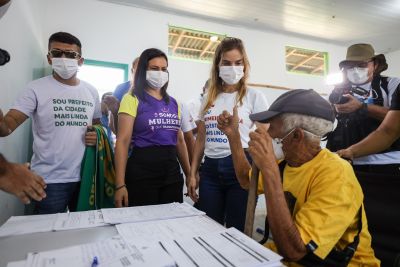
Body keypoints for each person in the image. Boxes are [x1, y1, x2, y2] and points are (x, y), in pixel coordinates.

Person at [218, 89, 379, 266]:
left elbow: (295, 251)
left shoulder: (336, 175)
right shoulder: (287, 164)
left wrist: (270, 168)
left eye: (272, 127)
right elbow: (246, 181)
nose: (267, 133)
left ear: (296, 135)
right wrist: (233, 136)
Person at [0, 32, 101, 214]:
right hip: (47, 180)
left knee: (82, 233)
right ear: (49, 58)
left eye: (70, 55)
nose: (63, 58)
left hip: (85, 177)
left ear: (80, 61)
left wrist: (96, 134)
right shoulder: (35, 88)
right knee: (45, 237)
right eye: (57, 53)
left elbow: (97, 126)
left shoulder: (91, 91)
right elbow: (8, 125)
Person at [326, 43, 400, 265]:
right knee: (349, 220)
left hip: (386, 166)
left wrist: (363, 108)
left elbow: (392, 123)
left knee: (383, 223)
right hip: (347, 163)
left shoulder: (392, 84)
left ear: (375, 64)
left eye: (361, 65)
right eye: (350, 66)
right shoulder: (341, 90)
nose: (355, 70)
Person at [187, 37, 269, 231]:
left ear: (245, 65)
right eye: (227, 63)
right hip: (210, 171)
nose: (233, 68)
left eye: (238, 63)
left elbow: (265, 135)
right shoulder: (208, 97)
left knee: (237, 229)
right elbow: (201, 139)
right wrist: (192, 173)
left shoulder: (254, 96)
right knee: (209, 227)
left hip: (241, 166)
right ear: (218, 65)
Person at [114, 48, 190, 207]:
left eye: (164, 69)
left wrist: (190, 174)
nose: (160, 73)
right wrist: (120, 184)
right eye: (154, 69)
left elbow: (180, 141)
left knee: (172, 221)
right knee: (143, 224)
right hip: (142, 170)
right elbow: (122, 141)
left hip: (171, 172)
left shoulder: (174, 103)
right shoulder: (131, 98)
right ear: (143, 71)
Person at [337, 86, 400, 159]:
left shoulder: (390, 82)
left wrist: (362, 106)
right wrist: (351, 151)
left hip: (388, 158)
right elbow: (388, 132)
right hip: (353, 160)